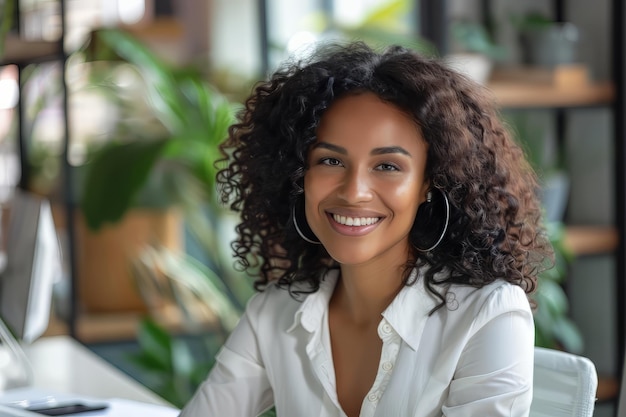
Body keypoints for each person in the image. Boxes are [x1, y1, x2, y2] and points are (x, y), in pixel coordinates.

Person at [179, 41, 552, 417]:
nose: (354, 192)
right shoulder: (275, 313)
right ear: (298, 175)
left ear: (429, 183)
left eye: (388, 166)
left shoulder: (486, 315)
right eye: (330, 160)